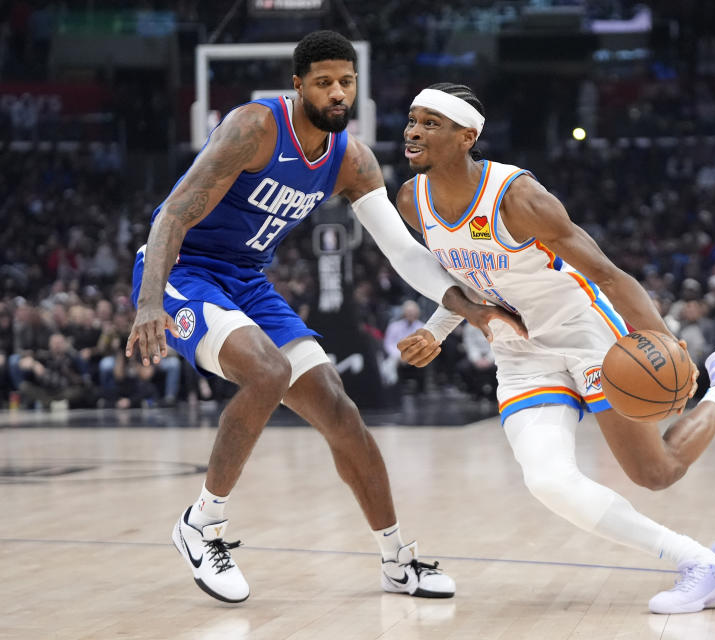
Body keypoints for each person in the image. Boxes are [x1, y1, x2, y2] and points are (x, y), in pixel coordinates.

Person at [125, 33, 524, 605]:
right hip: (182, 273)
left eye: (346, 82)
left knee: (341, 413)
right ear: (298, 86)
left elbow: (403, 252)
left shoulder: (353, 160)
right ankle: (201, 523)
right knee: (267, 373)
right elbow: (172, 213)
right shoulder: (254, 128)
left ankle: (396, 560)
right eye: (323, 83)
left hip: (246, 281)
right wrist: (149, 302)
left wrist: (466, 307)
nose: (337, 94)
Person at [394, 83, 715, 614]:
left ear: (467, 136)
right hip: (520, 351)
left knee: (657, 473)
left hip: (586, 334)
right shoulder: (411, 201)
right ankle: (703, 564)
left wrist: (666, 345)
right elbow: (464, 275)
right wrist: (438, 328)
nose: (413, 131)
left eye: (431, 123)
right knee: (548, 482)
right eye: (413, 120)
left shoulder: (517, 197)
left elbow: (608, 272)